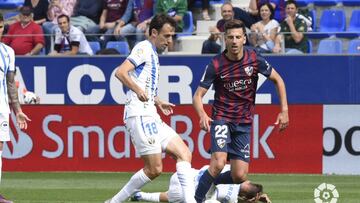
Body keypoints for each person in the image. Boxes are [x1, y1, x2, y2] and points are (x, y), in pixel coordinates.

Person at [192, 19, 289, 203]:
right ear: (225, 40)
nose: (234, 41)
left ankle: (205, 181)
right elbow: (197, 96)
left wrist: (284, 110)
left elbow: (279, 80)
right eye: (230, 37)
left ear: (244, 38)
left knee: (239, 175)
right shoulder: (216, 64)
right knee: (219, 163)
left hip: (243, 123)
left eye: (238, 37)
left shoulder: (254, 59)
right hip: (221, 119)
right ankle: (196, 199)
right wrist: (202, 114)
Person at [105, 14, 196, 203]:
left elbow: (144, 85)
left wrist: (157, 100)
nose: (170, 41)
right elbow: (120, 72)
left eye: (172, 36)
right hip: (139, 115)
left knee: (184, 153)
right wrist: (138, 90)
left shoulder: (152, 52)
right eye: (167, 36)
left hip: (150, 113)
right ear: (154, 33)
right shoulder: (144, 48)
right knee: (154, 169)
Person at [0, 13, 31, 203]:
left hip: (1, 107)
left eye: (0, 27)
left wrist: (18, 110)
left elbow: (11, 84)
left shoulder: (8, 52)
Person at [131, 165, 272, 203]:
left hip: (184, 175)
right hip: (183, 190)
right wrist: (255, 199)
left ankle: (138, 195)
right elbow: (239, 197)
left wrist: (255, 197)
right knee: (173, 197)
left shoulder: (231, 170)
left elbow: (243, 184)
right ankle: (140, 195)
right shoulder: (230, 198)